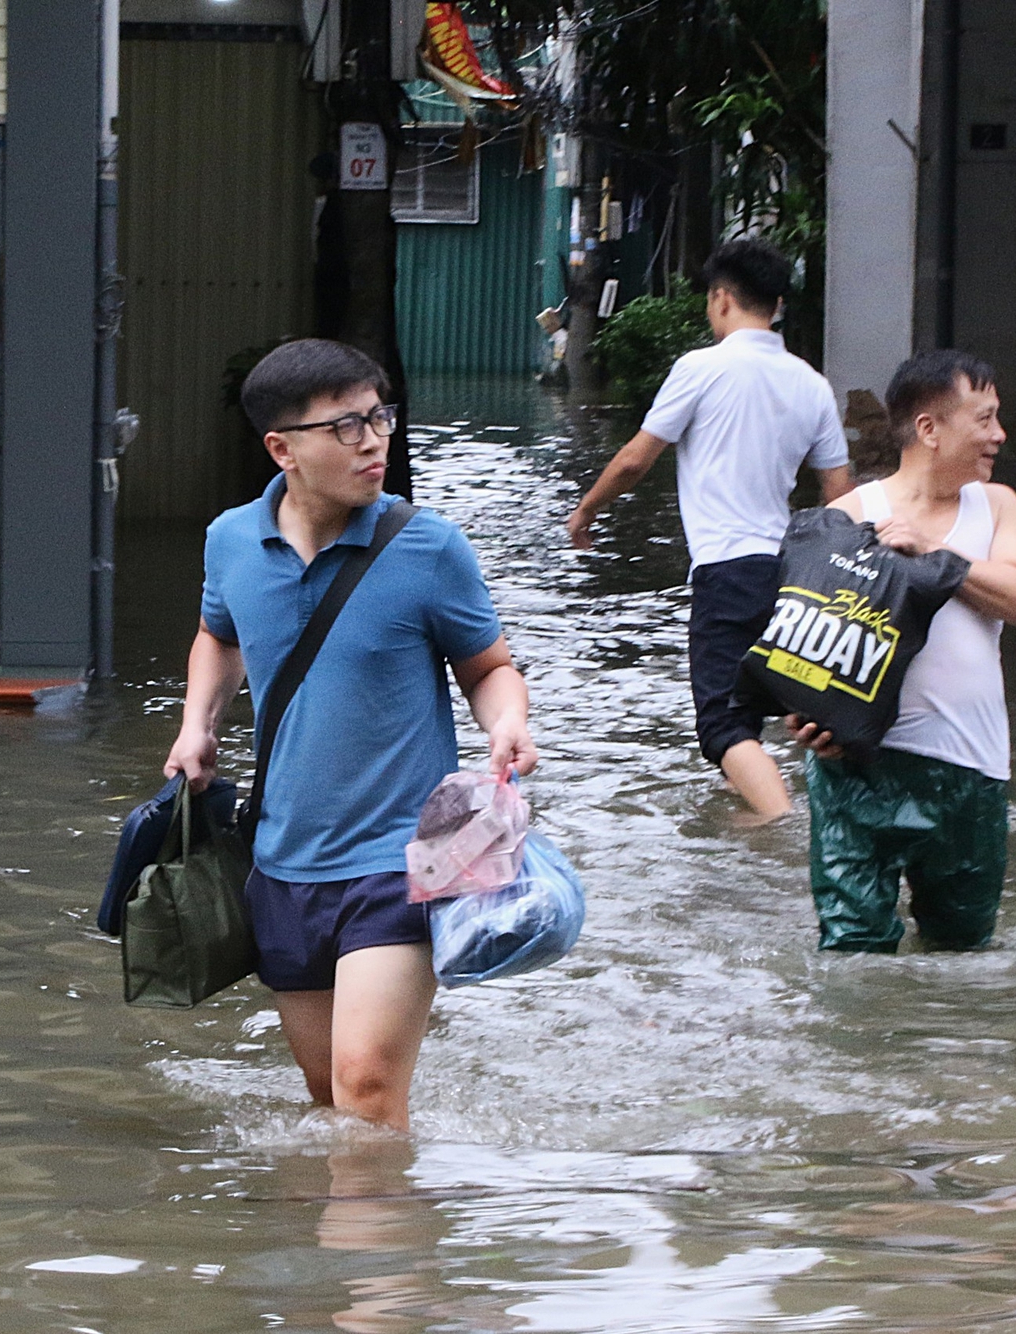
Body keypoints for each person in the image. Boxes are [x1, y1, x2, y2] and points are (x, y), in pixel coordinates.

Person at [165, 339, 538, 1131]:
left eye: (380, 418)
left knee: (366, 1088)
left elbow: (488, 667)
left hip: (399, 862)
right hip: (282, 864)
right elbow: (218, 636)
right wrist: (198, 723)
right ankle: (361, 1241)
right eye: (347, 427)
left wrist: (508, 722)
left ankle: (376, 1253)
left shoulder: (428, 547)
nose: (374, 441)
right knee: (329, 1104)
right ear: (282, 449)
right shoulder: (230, 540)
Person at [566, 240, 853, 821]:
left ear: (722, 299)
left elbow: (633, 462)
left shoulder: (700, 368)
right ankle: (758, 818)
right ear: (775, 306)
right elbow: (840, 498)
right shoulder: (812, 385)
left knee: (722, 723)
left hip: (726, 571)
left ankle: (779, 822)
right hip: (794, 577)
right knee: (795, 713)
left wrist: (587, 509)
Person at [788, 351, 1016, 952]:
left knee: (963, 953)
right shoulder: (848, 517)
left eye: (997, 418)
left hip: (970, 768)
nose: (999, 435)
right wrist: (800, 717)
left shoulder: (997, 506)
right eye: (984, 419)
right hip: (857, 770)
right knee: (853, 954)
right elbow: (796, 651)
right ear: (930, 430)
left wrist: (932, 553)